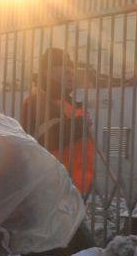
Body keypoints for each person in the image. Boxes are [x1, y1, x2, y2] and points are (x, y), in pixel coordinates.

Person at [19, 47, 95, 196]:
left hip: (73, 188)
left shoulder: (67, 102)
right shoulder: (38, 100)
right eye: (61, 65)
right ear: (46, 71)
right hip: (52, 188)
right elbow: (46, 138)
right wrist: (80, 124)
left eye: (70, 66)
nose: (69, 71)